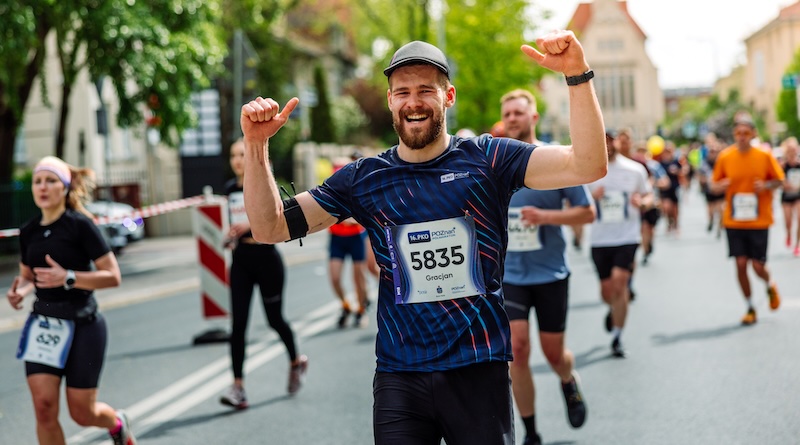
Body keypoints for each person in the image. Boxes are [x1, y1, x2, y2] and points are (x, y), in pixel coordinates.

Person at [240, 30, 606, 444]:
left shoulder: (489, 158)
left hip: (477, 366)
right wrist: (256, 146)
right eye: (402, 92)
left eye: (425, 90)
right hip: (400, 376)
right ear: (391, 100)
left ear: (448, 96)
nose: (413, 102)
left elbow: (588, 165)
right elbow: (269, 227)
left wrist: (577, 75)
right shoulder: (364, 179)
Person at [5, 156, 135, 445]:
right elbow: (28, 275)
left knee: (82, 413)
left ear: (65, 187)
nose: (43, 187)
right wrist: (20, 292)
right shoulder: (29, 231)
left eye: (51, 180)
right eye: (38, 181)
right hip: (44, 326)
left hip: (83, 325)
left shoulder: (80, 226)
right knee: (44, 409)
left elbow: (112, 276)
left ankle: (116, 422)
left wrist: (69, 278)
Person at [500, 88, 594, 445]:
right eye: (507, 113)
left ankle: (568, 380)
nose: (512, 118)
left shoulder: (555, 159)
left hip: (551, 273)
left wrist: (545, 216)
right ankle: (532, 433)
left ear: (533, 117)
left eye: (518, 112)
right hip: (511, 276)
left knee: (554, 354)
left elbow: (587, 212)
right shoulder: (495, 164)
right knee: (518, 350)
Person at [219, 139, 308, 410]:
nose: (237, 160)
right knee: (238, 326)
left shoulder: (264, 184)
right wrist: (228, 236)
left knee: (274, 319)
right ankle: (238, 387)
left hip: (267, 260)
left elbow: (276, 217)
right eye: (233, 155)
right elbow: (229, 221)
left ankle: (295, 361)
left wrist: (248, 225)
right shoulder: (229, 189)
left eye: (242, 154)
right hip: (242, 261)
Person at [711, 117, 785, 325]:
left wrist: (766, 186)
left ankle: (770, 284)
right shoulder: (726, 156)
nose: (742, 137)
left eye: (746, 133)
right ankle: (750, 306)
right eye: (738, 134)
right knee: (741, 263)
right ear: (734, 135)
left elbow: (780, 180)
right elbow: (713, 185)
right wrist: (720, 186)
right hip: (734, 220)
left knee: (757, 265)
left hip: (759, 220)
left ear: (753, 134)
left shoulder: (764, 155)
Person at [588, 132, 652, 358]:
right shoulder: (588, 172)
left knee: (620, 284)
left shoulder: (635, 170)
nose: (606, 146)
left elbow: (649, 197)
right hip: (599, 238)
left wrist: (642, 202)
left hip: (627, 237)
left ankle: (617, 336)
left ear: (616, 143)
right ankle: (612, 309)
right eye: (601, 142)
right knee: (607, 291)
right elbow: (575, 203)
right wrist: (592, 198)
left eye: (609, 142)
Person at [631, 141, 669, 264]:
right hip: (638, 203)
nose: (641, 154)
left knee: (650, 228)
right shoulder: (633, 166)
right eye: (639, 151)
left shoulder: (654, 166)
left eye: (643, 151)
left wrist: (653, 184)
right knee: (643, 227)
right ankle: (645, 250)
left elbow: (665, 182)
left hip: (653, 203)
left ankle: (649, 244)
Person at [698, 139, 726, 238]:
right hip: (709, 190)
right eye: (711, 151)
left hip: (721, 190)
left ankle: (720, 227)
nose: (713, 153)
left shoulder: (722, 162)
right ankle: (711, 221)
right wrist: (705, 182)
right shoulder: (704, 163)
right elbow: (700, 176)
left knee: (721, 209)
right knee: (711, 210)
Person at [778, 137, 800, 256]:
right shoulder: (783, 165)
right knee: (788, 222)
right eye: (790, 149)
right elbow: (779, 180)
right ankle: (788, 234)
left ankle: (797, 245)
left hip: (798, 196)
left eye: (794, 148)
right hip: (787, 197)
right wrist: (784, 184)